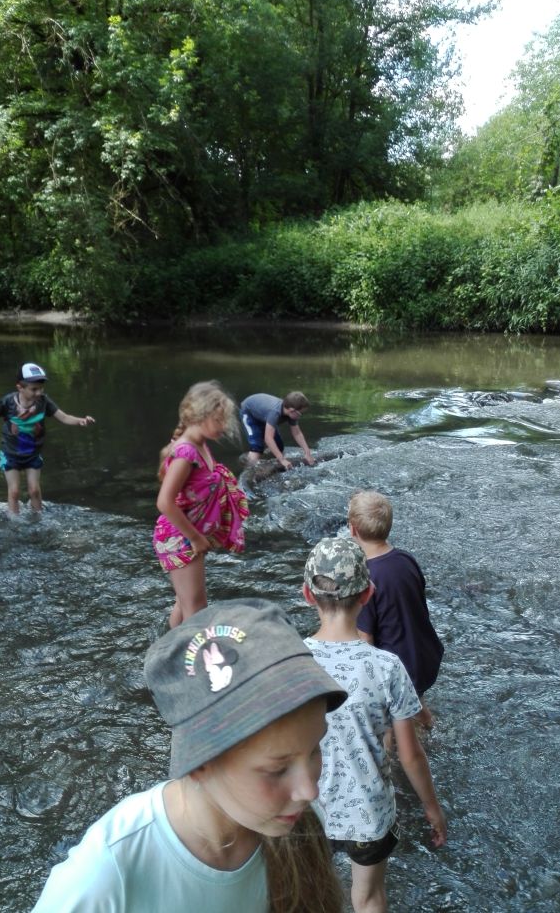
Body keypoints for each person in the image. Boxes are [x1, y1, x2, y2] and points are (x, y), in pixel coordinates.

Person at [32, 598, 348, 913]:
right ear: (198, 763)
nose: (310, 791)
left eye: (314, 749)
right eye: (277, 769)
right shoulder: (107, 872)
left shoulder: (301, 828)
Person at [303, 537, 447, 913]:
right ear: (368, 593)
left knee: (311, 894)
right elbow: (411, 755)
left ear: (307, 594)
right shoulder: (386, 666)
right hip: (368, 813)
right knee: (368, 899)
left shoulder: (292, 662)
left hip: (305, 809)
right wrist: (431, 807)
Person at [153, 381, 249, 626]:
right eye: (219, 420)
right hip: (180, 537)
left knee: (185, 603)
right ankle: (193, 661)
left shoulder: (200, 445)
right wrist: (195, 538)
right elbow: (164, 502)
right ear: (200, 415)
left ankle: (173, 652)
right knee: (197, 608)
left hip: (188, 534)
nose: (224, 426)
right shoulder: (186, 453)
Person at [349, 490, 444, 729]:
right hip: (424, 655)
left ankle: (391, 762)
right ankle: (431, 729)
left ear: (352, 530)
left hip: (397, 668)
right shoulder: (406, 560)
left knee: (387, 722)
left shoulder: (365, 577)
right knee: (415, 697)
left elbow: (365, 637)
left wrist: (366, 682)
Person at [0, 362, 95, 516]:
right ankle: (14, 522)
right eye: (34, 389)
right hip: (10, 454)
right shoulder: (7, 402)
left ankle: (38, 519)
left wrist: (81, 421)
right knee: (15, 491)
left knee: (34, 490)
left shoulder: (44, 402)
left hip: (32, 454)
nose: (38, 392)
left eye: (41, 388)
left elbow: (63, 417)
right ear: (20, 388)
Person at [240, 391, 315, 470]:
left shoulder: (291, 414)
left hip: (264, 415)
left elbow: (297, 433)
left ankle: (276, 462)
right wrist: (282, 459)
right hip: (249, 413)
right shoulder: (275, 412)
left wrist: (307, 453)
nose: (300, 416)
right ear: (291, 410)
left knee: (279, 446)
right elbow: (268, 438)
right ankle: (249, 470)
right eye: (300, 414)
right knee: (257, 446)